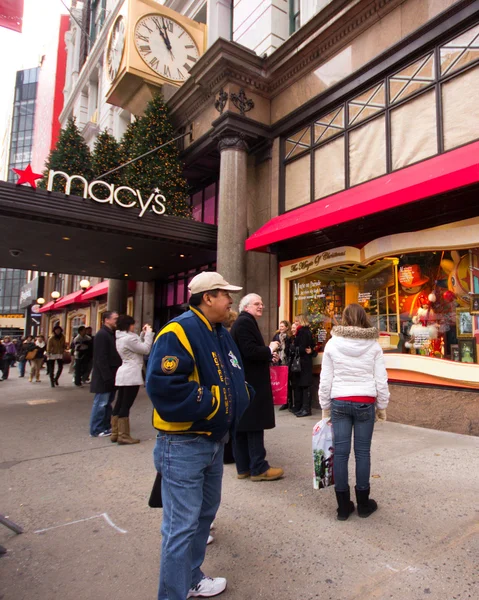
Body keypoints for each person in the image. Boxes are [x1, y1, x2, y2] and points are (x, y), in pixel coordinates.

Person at [146, 271, 250, 600]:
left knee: (204, 515)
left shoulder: (220, 331)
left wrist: (241, 395)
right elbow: (165, 388)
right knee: (181, 527)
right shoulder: (178, 331)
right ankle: (173, 593)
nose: (230, 300)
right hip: (182, 446)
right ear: (207, 298)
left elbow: (235, 375)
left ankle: (191, 578)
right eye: (225, 294)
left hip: (213, 442)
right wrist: (221, 403)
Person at [319, 303, 390, 521]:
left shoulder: (332, 344)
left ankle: (343, 507)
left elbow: (325, 379)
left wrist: (324, 407)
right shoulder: (373, 345)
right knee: (362, 453)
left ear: (344, 318)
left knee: (340, 454)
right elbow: (381, 379)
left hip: (339, 402)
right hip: (364, 402)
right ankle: (364, 504)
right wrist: (382, 406)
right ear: (363, 318)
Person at [230, 293, 284, 482]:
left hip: (244, 381)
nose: (261, 306)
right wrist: (270, 349)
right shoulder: (245, 322)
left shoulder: (243, 322)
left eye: (262, 303)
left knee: (244, 424)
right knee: (254, 424)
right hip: (251, 382)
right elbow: (250, 351)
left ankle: (243, 467)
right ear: (246, 307)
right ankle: (258, 467)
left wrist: (268, 355)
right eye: (256, 304)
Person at [112, 315, 153, 444]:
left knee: (119, 403)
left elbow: (137, 347)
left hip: (123, 372)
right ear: (128, 325)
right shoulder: (129, 338)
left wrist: (142, 335)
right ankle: (123, 435)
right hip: (132, 373)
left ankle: (115, 432)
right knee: (126, 404)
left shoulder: (121, 337)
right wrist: (149, 334)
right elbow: (145, 349)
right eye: (132, 324)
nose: (134, 326)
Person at [89, 311, 121, 437]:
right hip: (104, 376)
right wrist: (107, 376)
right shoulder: (102, 335)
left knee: (106, 403)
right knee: (101, 403)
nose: (116, 321)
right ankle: (96, 429)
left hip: (110, 375)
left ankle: (104, 426)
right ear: (106, 320)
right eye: (115, 319)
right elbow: (100, 358)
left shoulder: (110, 334)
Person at [292, 314, 315, 417]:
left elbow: (302, 347)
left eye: (297, 321)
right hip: (306, 362)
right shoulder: (308, 331)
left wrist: (294, 347)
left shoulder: (301, 332)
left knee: (304, 385)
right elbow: (312, 346)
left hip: (302, 362)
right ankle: (304, 408)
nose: (295, 323)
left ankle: (305, 409)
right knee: (304, 385)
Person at [272, 320, 292, 411]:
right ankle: (284, 401)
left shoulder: (289, 337)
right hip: (279, 360)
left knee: (288, 382)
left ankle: (289, 402)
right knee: (282, 381)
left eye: (282, 326)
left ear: (287, 327)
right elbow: (272, 346)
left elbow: (289, 349)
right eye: (280, 326)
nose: (281, 328)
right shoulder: (276, 336)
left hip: (287, 361)